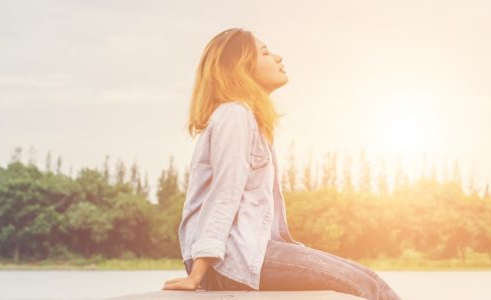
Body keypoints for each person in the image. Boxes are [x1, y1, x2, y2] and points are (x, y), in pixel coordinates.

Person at [161, 28, 401, 300]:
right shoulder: (234, 115)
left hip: (248, 252)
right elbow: (224, 194)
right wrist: (198, 272)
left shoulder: (249, 118)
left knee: (370, 281)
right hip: (231, 259)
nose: (278, 57)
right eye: (264, 52)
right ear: (241, 67)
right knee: (368, 286)